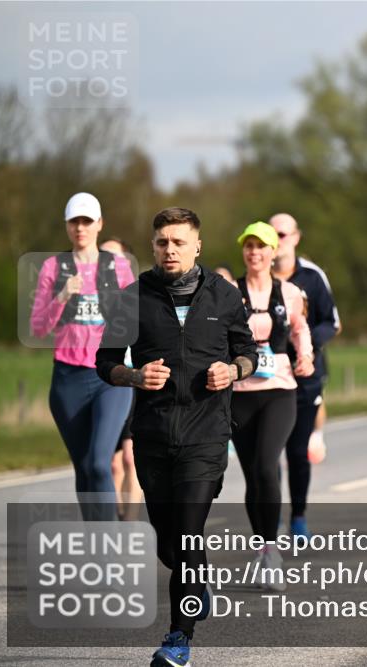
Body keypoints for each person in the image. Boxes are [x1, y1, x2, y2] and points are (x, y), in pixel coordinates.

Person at [96, 207, 258, 667]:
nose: (171, 250)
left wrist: (233, 370)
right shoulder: (132, 297)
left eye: (179, 242)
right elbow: (105, 361)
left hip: (207, 436)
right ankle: (198, 580)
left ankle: (178, 638)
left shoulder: (224, 295)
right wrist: (133, 375)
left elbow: (248, 352)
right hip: (152, 436)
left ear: (197, 246)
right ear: (153, 246)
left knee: (186, 536)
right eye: (163, 242)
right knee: (169, 543)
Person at [30, 193, 134, 521]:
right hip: (68, 378)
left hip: (110, 376)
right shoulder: (53, 267)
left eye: (87, 221)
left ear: (99, 225)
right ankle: (96, 540)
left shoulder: (117, 266)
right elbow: (37, 327)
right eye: (74, 221)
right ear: (67, 226)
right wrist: (62, 295)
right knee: (83, 468)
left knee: (100, 462)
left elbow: (135, 319)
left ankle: (108, 547)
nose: (80, 228)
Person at [231, 221, 314, 583]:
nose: (255, 253)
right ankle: (263, 547)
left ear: (272, 252)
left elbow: (300, 328)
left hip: (280, 390)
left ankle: (272, 549)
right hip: (239, 393)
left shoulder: (290, 292)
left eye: (261, 246)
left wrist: (306, 357)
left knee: (267, 464)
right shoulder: (230, 294)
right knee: (252, 476)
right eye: (249, 246)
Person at [268, 212, 340, 538]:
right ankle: (271, 519)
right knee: (268, 454)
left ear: (296, 237)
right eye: (271, 233)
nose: (276, 239)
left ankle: (298, 515)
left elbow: (332, 322)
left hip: (305, 374)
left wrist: (308, 346)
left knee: (297, 452)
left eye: (282, 234)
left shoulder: (312, 276)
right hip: (267, 375)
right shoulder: (258, 275)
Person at [99, 237, 144, 520]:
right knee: (113, 464)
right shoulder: (90, 296)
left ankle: (130, 523)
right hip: (105, 380)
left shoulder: (136, 297)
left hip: (132, 381)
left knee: (130, 457)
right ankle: (113, 520)